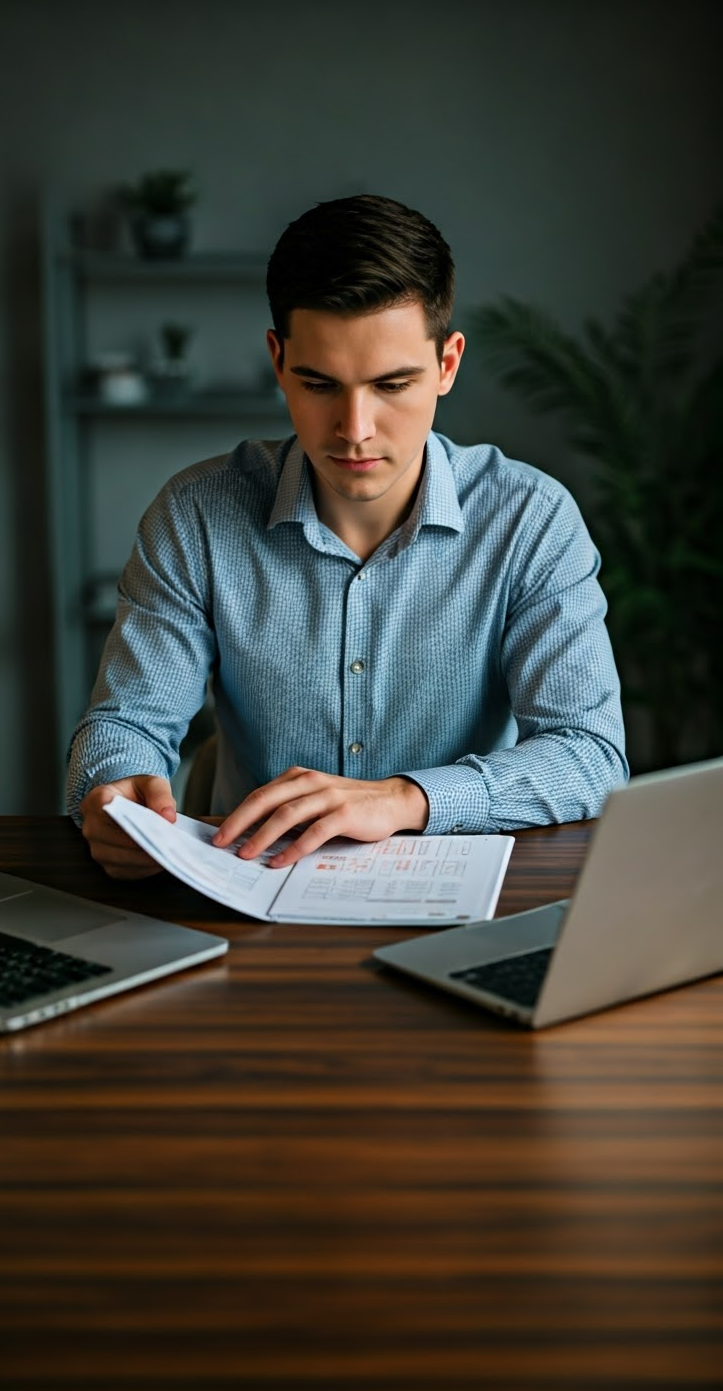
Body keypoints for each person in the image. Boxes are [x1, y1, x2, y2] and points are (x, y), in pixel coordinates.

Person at [69, 194, 628, 879]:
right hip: (252, 892)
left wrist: (406, 798)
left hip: (459, 894)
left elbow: (589, 754)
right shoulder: (196, 515)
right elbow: (125, 725)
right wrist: (113, 789)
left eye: (393, 384)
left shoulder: (531, 520)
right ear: (278, 362)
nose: (355, 428)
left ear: (447, 364)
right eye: (319, 384)